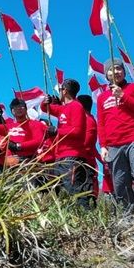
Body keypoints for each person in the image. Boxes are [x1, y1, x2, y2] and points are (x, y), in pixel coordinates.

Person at [97, 59, 134, 213]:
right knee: (120, 181)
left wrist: (122, 95)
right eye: (111, 70)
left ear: (124, 71)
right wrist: (103, 145)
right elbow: (101, 123)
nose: (115, 72)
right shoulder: (102, 97)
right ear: (106, 74)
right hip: (113, 145)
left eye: (118, 68)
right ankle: (127, 216)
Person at [41, 78, 92, 207]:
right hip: (61, 156)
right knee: (63, 190)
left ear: (64, 91)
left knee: (74, 189)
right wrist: (46, 101)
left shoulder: (76, 106)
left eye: (60, 89)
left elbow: (77, 131)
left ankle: (83, 218)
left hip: (72, 156)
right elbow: (45, 108)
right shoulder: (63, 108)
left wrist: (58, 131)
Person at [0, 98, 46, 174]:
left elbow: (39, 141)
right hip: (13, 166)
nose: (19, 108)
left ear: (26, 109)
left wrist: (18, 146)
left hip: (30, 162)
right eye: (15, 107)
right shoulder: (8, 127)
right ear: (12, 111)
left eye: (21, 106)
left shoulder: (36, 124)